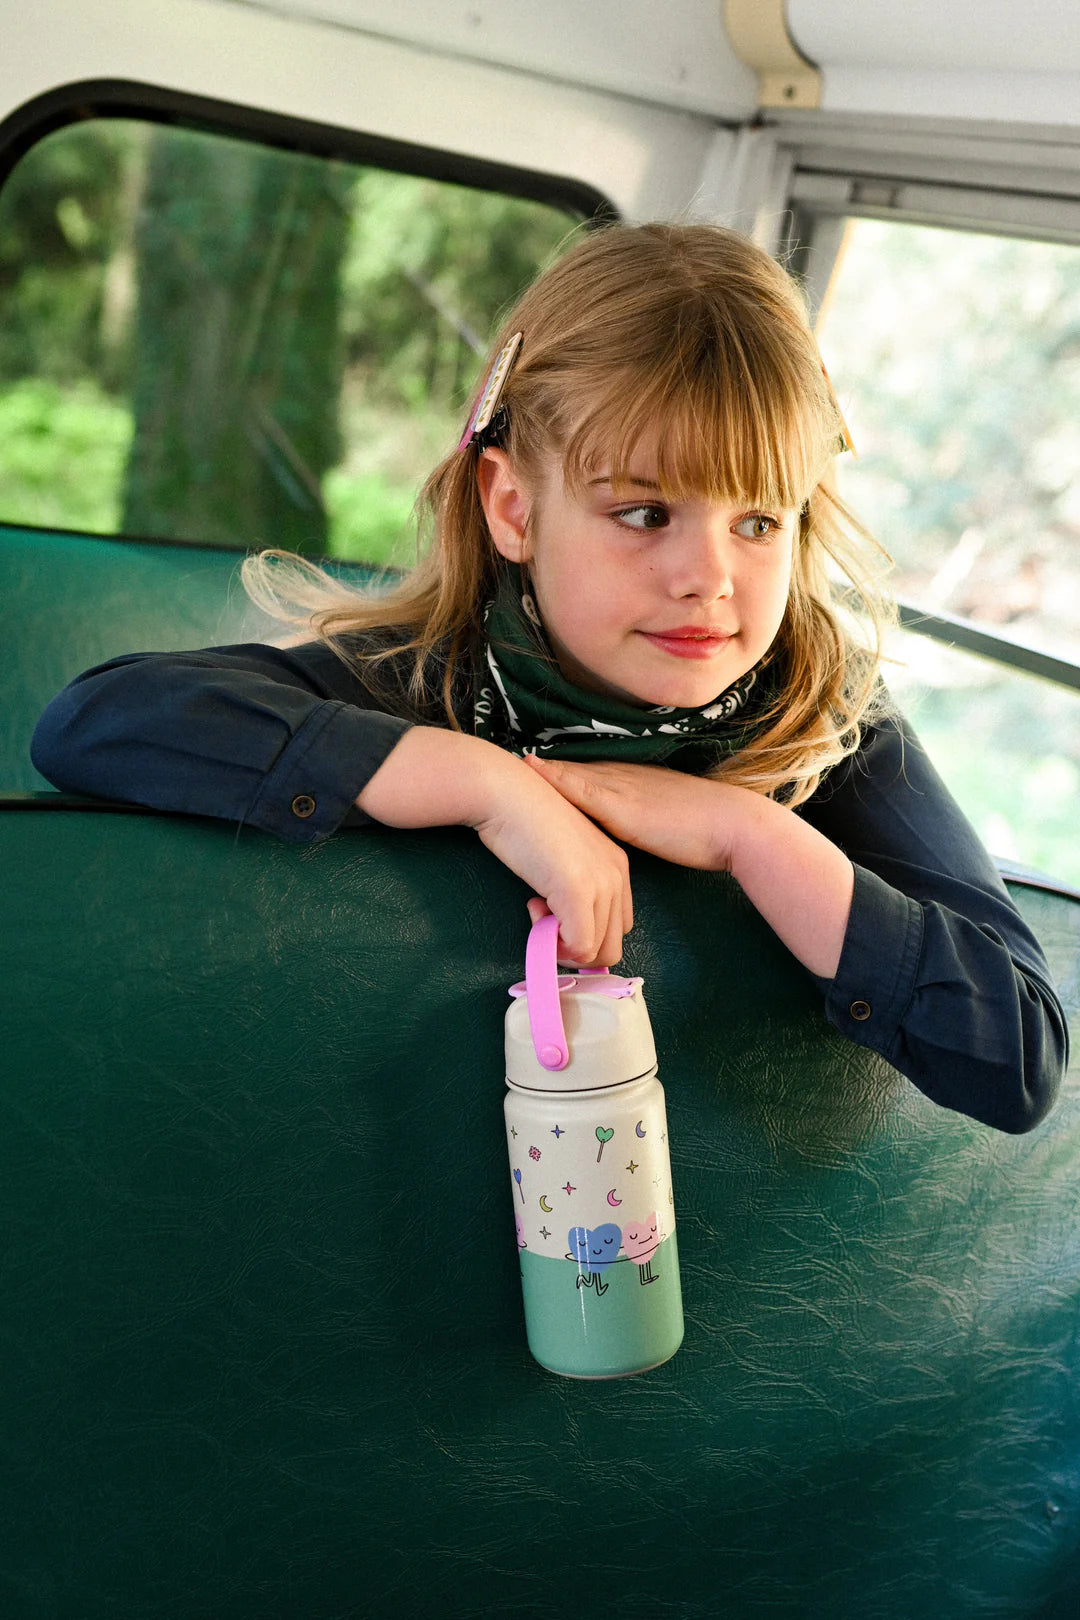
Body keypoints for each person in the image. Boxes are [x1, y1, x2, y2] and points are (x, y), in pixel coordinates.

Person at [31, 224, 1067, 1135]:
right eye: (645, 514)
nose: (709, 578)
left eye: (759, 521)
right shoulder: (427, 679)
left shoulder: (819, 719)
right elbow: (93, 722)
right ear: (514, 507)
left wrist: (748, 834)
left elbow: (1015, 1058)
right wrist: (488, 787)